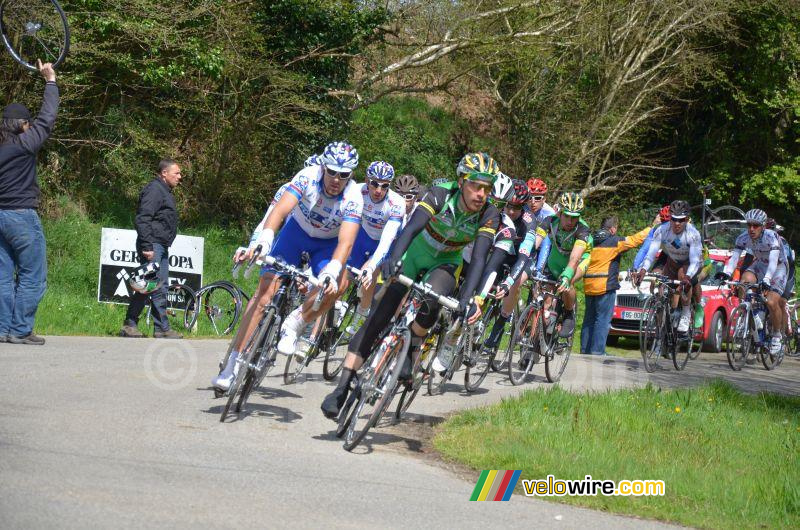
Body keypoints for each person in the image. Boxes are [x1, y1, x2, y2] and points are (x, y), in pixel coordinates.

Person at [321, 152, 502, 419]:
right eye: (476, 185)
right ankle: (342, 386)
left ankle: (412, 345)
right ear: (462, 182)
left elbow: (478, 258)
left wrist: (471, 298)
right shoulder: (440, 195)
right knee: (379, 316)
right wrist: (394, 259)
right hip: (415, 252)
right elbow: (411, 229)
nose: (481, 194)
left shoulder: (490, 214)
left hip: (447, 262)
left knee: (434, 299)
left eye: (487, 188)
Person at [212, 141, 363, 391]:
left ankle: (296, 321)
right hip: (296, 234)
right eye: (332, 172)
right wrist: (265, 239)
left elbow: (346, 243)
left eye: (344, 174)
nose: (336, 179)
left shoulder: (354, 197)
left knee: (336, 287)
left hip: (327, 245)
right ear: (323, 167)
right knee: (264, 295)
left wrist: (332, 270)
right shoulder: (307, 176)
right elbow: (280, 211)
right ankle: (232, 364)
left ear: (351, 175)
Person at [0, 61, 58, 345]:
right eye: (28, 123)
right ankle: (20, 330)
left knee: (1, 276)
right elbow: (47, 119)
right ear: (23, 125)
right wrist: (50, 81)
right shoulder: (25, 144)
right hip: (21, 216)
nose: (31, 125)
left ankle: (2, 329)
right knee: (32, 276)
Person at [120, 160, 184, 338]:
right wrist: (147, 245)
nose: (180, 177)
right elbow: (143, 218)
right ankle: (139, 325)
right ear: (164, 173)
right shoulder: (155, 190)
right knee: (151, 285)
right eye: (176, 173)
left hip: (161, 245)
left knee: (155, 286)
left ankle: (157, 328)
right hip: (153, 245)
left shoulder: (165, 191)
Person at [716, 209, 789, 354]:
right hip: (760, 264)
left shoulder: (771, 236)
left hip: (777, 268)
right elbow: (735, 258)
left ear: (763, 226)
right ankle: (748, 311)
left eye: (755, 226)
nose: (751, 229)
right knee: (744, 280)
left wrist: (767, 279)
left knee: (771, 302)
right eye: (749, 225)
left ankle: (776, 335)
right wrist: (727, 273)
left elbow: (773, 262)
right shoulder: (743, 237)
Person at [580, 216, 652, 355]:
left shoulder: (590, 240)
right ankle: (597, 351)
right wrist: (652, 227)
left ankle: (585, 350)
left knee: (589, 319)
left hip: (588, 285)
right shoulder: (614, 241)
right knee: (603, 320)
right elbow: (635, 240)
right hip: (605, 286)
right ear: (613, 229)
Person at [633, 200, 703, 334]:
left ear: (687, 219)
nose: (677, 223)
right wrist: (642, 270)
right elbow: (651, 253)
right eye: (674, 219)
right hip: (673, 261)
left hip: (691, 262)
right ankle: (666, 317)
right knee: (660, 280)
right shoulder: (661, 230)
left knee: (682, 276)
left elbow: (694, 261)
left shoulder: (693, 234)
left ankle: (686, 312)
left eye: (681, 220)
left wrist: (688, 277)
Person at [531, 192, 593, 338]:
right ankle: (534, 341)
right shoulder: (549, 221)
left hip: (579, 259)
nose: (571, 221)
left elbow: (575, 258)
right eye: (567, 216)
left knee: (567, 282)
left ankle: (569, 312)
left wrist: (566, 275)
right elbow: (535, 243)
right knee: (546, 298)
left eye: (575, 217)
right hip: (556, 259)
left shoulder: (582, 230)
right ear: (559, 213)